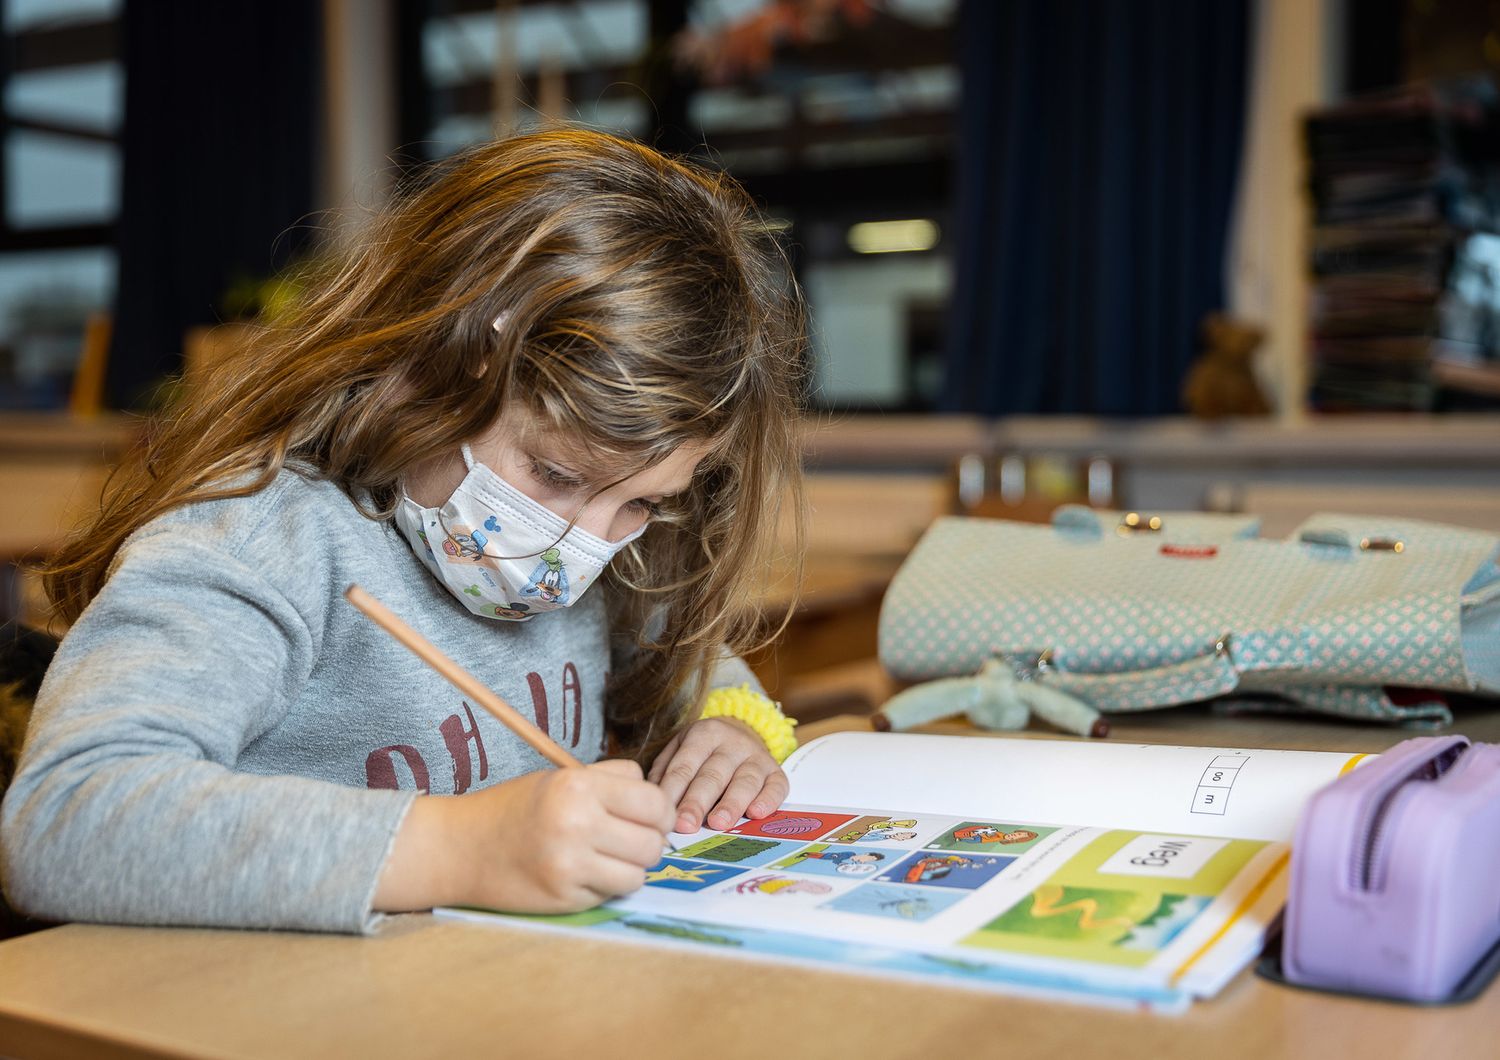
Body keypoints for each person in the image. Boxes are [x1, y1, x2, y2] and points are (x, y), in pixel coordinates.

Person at [0, 128, 807, 934]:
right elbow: (61, 821)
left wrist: (730, 725)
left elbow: (690, 657)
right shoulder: (262, 537)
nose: (579, 553)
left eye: (639, 504)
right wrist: (461, 849)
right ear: (421, 372)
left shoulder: (604, 553)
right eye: (554, 477)